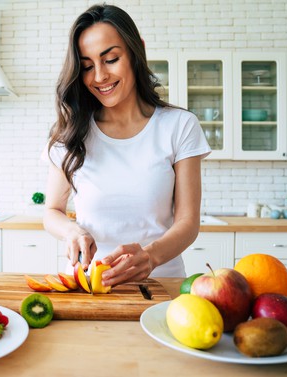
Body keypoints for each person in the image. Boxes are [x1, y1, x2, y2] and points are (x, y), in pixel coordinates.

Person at [42, 4, 211, 287]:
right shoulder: (72, 133)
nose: (99, 76)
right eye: (87, 66)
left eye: (111, 59)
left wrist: (150, 257)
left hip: (161, 284)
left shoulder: (179, 126)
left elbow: (188, 222)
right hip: (90, 285)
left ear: (136, 52)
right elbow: (52, 211)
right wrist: (72, 231)